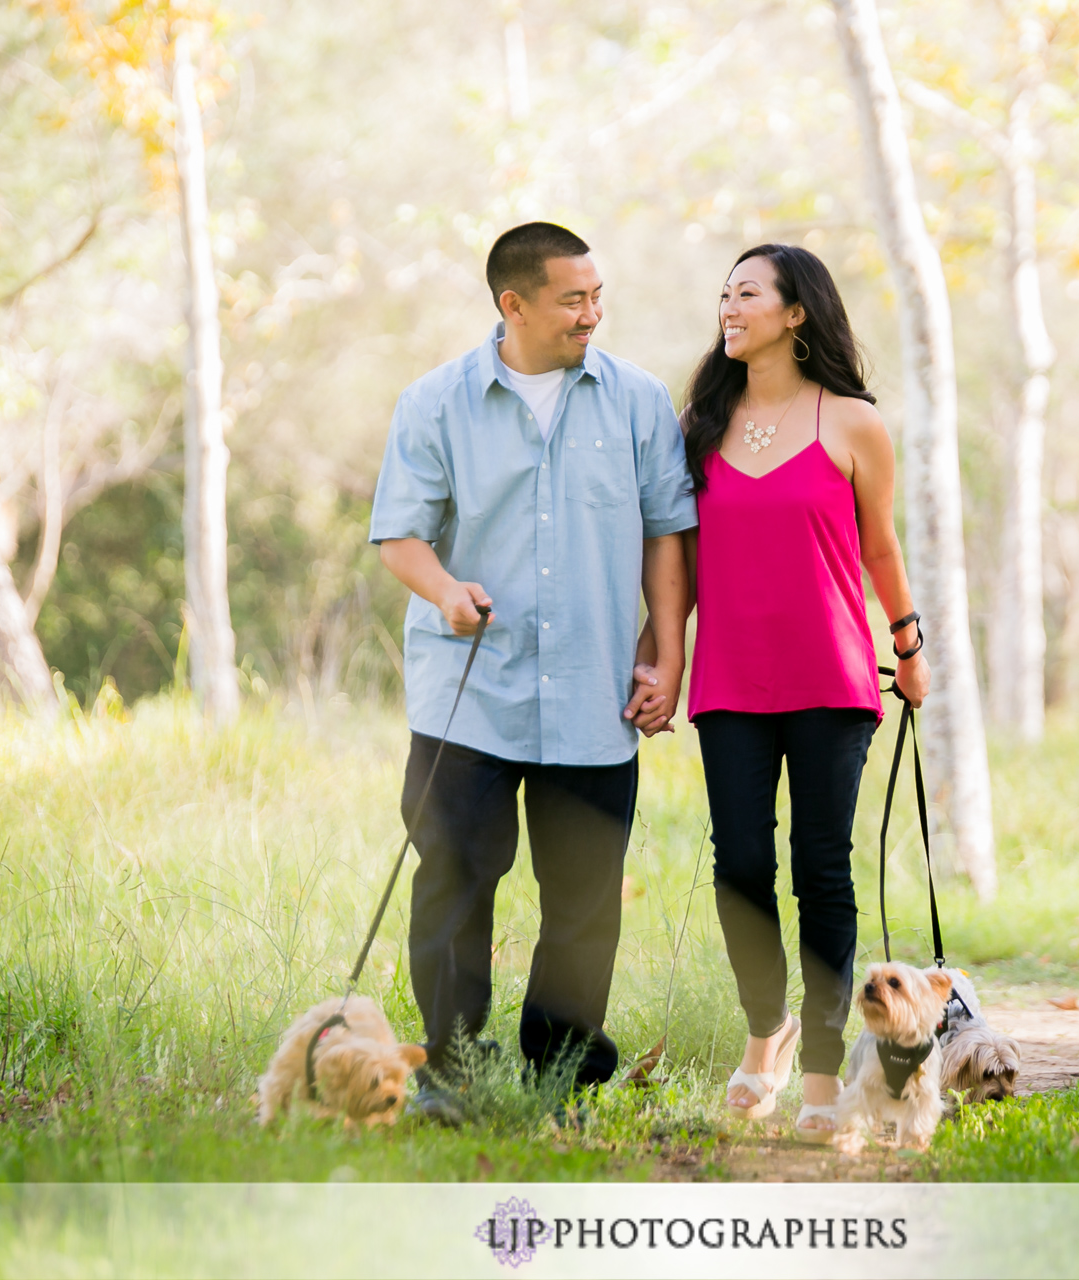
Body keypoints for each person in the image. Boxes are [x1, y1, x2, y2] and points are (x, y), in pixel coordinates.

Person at [369, 221, 696, 1123]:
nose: (593, 312)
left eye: (597, 294)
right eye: (572, 298)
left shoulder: (636, 401)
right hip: (468, 691)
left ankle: (563, 1082)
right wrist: (444, 590)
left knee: (585, 901)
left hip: (594, 692)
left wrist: (667, 654)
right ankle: (452, 1072)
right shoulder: (433, 403)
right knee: (454, 882)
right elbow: (400, 534)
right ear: (513, 305)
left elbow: (669, 533)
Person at [676, 243, 928, 1143]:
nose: (728, 306)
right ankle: (766, 1030)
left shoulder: (854, 422)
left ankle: (821, 1069)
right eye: (724, 292)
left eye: (747, 292)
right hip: (729, 678)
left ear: (796, 314)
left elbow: (881, 549)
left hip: (831, 676)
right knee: (741, 865)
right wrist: (657, 650)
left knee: (823, 872)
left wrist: (906, 639)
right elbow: (685, 560)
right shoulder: (700, 423)